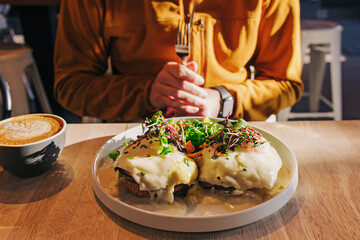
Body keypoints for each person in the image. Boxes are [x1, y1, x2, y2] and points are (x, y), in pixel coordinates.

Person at [54, 0, 303, 122]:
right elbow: (70, 84)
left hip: (233, 124)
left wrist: (222, 100)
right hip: (134, 130)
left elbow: (285, 83)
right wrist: (147, 93)